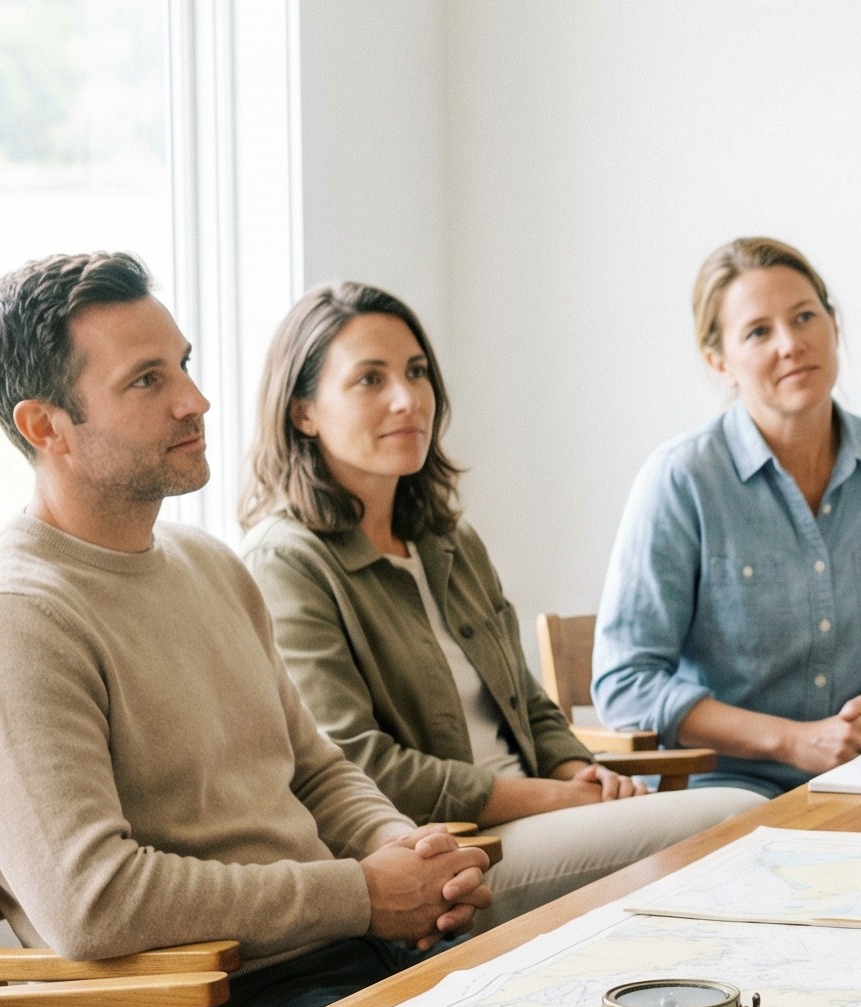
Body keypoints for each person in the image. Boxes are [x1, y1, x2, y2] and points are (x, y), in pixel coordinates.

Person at [0, 252, 490, 1007]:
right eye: (147, 381)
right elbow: (95, 903)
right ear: (47, 427)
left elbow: (316, 769)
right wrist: (360, 896)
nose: (195, 400)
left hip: (337, 965)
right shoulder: (8, 619)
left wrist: (406, 855)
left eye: (182, 364)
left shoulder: (208, 564)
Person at [239, 284, 760, 926]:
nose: (407, 399)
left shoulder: (449, 541)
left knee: (732, 831)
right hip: (450, 853)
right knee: (736, 816)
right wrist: (550, 798)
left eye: (417, 372)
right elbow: (354, 761)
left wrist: (579, 772)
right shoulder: (286, 560)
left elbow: (526, 701)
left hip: (537, 818)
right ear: (303, 414)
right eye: (369, 379)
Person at [593, 238, 861, 795]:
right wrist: (792, 740)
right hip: (725, 795)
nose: (791, 344)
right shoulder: (682, 477)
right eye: (758, 332)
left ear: (834, 326)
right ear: (719, 361)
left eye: (805, 317)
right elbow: (625, 686)